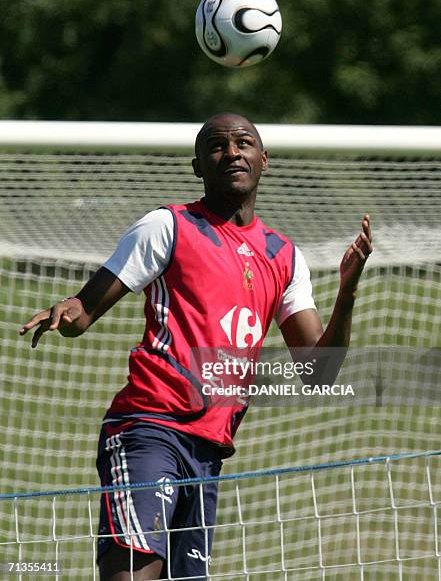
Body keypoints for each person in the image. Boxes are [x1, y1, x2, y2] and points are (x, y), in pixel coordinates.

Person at [20, 113, 372, 580]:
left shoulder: (284, 257)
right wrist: (67, 310)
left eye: (243, 143)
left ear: (264, 160)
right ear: (197, 166)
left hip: (208, 452)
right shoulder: (169, 226)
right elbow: (84, 313)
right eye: (217, 147)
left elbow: (318, 372)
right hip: (149, 428)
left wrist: (346, 292)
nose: (232, 153)